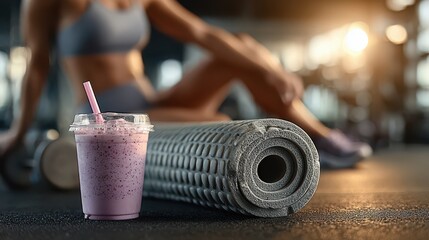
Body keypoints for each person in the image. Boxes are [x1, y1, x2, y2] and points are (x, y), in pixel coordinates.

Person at [0, 0, 371, 170]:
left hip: (151, 101)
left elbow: (202, 32)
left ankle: (318, 136)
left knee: (239, 49)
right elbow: (37, 67)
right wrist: (17, 134)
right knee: (224, 129)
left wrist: (268, 65)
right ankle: (307, 143)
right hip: (108, 120)